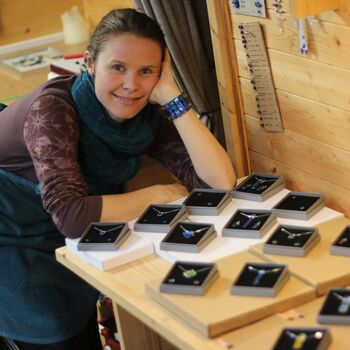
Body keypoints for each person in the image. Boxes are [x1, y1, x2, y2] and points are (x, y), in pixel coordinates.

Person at [0, 8, 235, 350]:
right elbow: (71, 216)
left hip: (68, 232)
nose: (131, 85)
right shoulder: (52, 109)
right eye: (118, 67)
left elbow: (218, 183)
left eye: (146, 71)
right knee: (54, 326)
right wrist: (158, 193)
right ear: (90, 62)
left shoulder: (145, 117)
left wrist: (172, 97)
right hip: (11, 235)